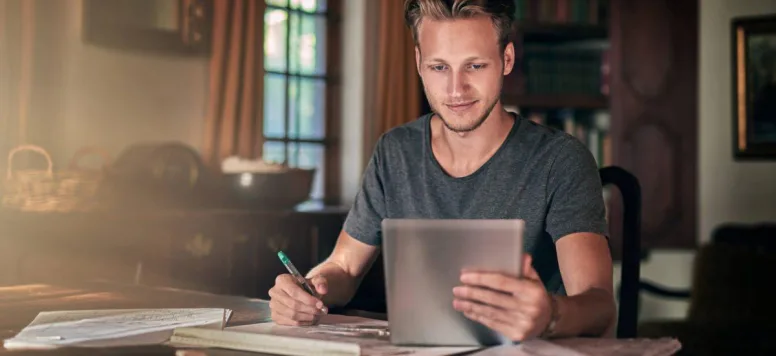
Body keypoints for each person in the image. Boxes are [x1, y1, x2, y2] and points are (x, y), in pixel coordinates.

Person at [268, 0, 615, 341]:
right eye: (439, 67)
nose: (455, 89)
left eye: (474, 66)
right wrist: (308, 290)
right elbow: (343, 268)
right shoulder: (395, 152)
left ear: (506, 60)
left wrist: (550, 315)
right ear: (419, 62)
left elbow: (599, 304)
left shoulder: (561, 160)